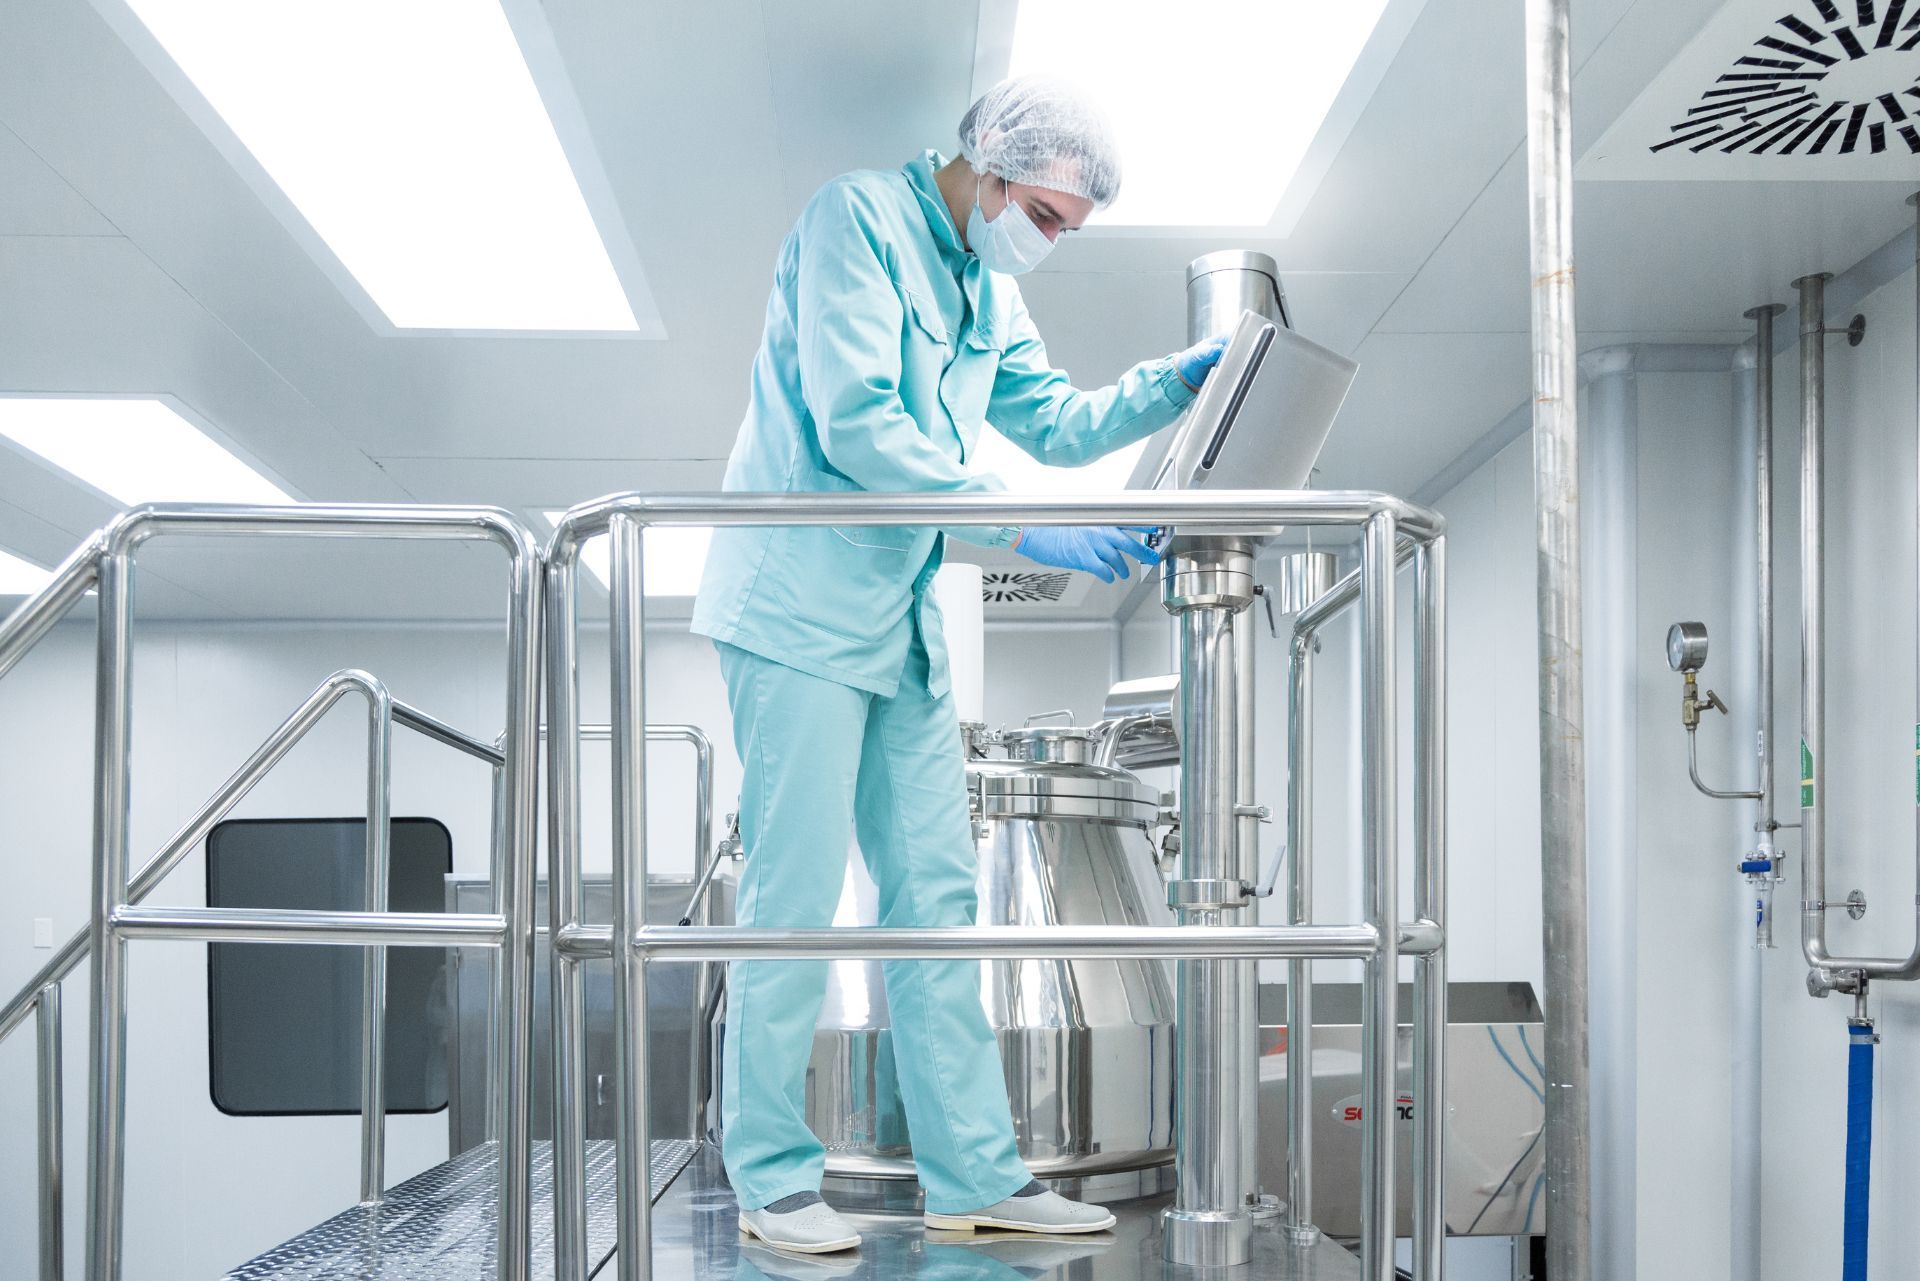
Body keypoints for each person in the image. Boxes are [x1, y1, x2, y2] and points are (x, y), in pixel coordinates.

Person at [690, 76, 1228, 1254]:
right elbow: (857, 427)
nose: (1042, 242)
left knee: (937, 902)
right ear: (985, 167)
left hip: (900, 623)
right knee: (792, 900)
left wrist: (1179, 380)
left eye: (1063, 231)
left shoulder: (986, 284)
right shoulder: (855, 223)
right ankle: (773, 1178)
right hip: (798, 609)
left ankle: (975, 1176)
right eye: (1040, 214)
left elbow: (1056, 422)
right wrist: (1028, 527)